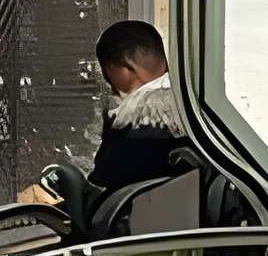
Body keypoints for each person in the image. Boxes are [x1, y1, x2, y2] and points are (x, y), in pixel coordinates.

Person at [20, 20, 186, 208]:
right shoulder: (192, 103)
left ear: (124, 70)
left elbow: (107, 185)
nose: (110, 86)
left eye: (107, 73)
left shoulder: (135, 117)